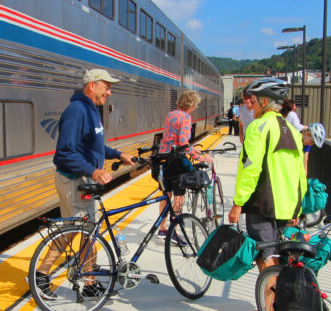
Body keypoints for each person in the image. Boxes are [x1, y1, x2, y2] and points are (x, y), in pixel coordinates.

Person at [34, 68, 134, 298]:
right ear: (92, 85)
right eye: (106, 86)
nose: (109, 92)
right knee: (75, 231)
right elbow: (63, 154)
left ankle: (89, 283)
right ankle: (41, 275)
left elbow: (94, 146)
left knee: (88, 232)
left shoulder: (91, 111)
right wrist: (94, 171)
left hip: (83, 181)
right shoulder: (77, 111)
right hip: (73, 181)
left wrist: (118, 155)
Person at [227, 78, 306, 311]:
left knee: (266, 260)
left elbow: (251, 169)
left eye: (254, 100)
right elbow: (300, 173)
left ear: (264, 101)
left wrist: (238, 203)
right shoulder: (292, 130)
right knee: (277, 259)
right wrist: (298, 207)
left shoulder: (259, 128)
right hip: (287, 206)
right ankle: (269, 307)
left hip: (263, 204)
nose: (250, 106)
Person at [156, 90, 213, 237]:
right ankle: (173, 231)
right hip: (176, 160)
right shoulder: (186, 117)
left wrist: (191, 150)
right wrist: (198, 156)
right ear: (192, 104)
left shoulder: (171, 114)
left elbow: (170, 138)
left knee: (166, 194)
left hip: (164, 157)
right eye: (196, 105)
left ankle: (162, 228)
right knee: (179, 196)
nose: (195, 108)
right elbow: (182, 142)